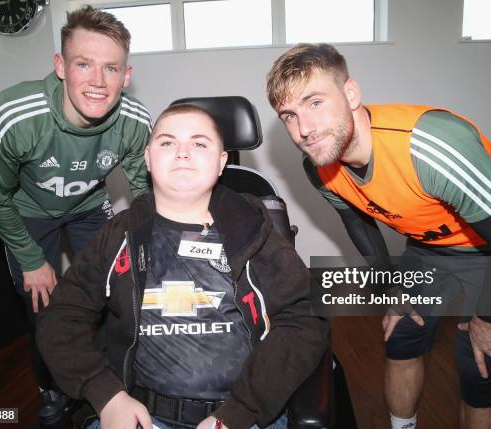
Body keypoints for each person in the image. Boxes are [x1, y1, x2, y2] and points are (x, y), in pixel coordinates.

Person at [266, 43, 491, 429]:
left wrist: (487, 319)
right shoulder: (320, 165)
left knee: (479, 371)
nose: (304, 130)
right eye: (289, 115)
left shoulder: (429, 145)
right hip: (432, 243)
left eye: (314, 102)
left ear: (351, 94)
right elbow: (358, 223)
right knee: (401, 336)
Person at [36, 104, 329, 429]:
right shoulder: (118, 235)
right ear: (148, 158)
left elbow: (305, 319)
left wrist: (238, 413)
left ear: (222, 162)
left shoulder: (255, 233)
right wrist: (107, 396)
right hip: (138, 415)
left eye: (199, 143)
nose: (183, 153)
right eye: (167, 142)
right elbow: (61, 317)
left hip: (243, 417)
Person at [0, 6, 151, 424]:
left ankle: (110, 383)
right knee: (45, 308)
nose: (97, 81)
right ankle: (51, 390)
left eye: (111, 68)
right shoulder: (15, 115)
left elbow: (145, 191)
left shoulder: (134, 121)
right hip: (27, 214)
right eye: (83, 64)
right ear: (60, 67)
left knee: (120, 289)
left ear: (126, 76)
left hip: (89, 206)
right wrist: (31, 259)